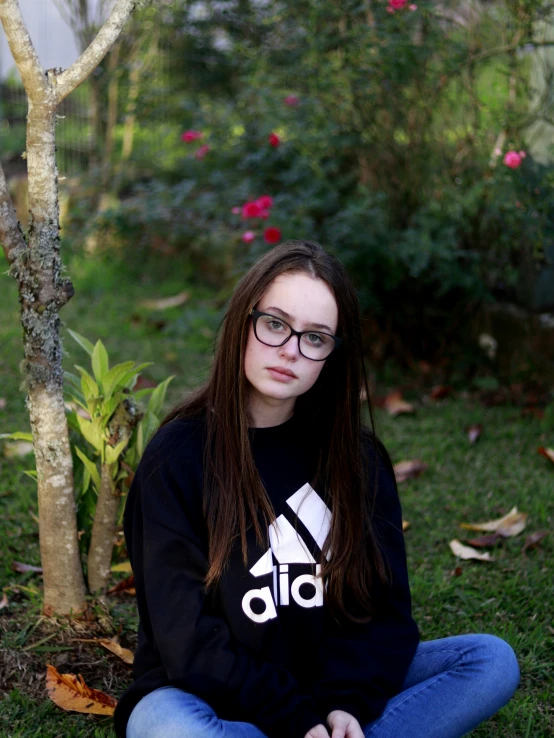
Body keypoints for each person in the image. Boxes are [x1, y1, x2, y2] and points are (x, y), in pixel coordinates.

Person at [113, 240, 520, 738]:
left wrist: (345, 703)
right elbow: (186, 639)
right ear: (244, 320)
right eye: (275, 324)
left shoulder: (358, 460)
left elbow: (387, 617)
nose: (290, 350)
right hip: (205, 696)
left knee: (488, 661)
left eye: (316, 337)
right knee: (169, 728)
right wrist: (295, 718)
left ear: (332, 354)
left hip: (325, 687)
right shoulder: (177, 457)